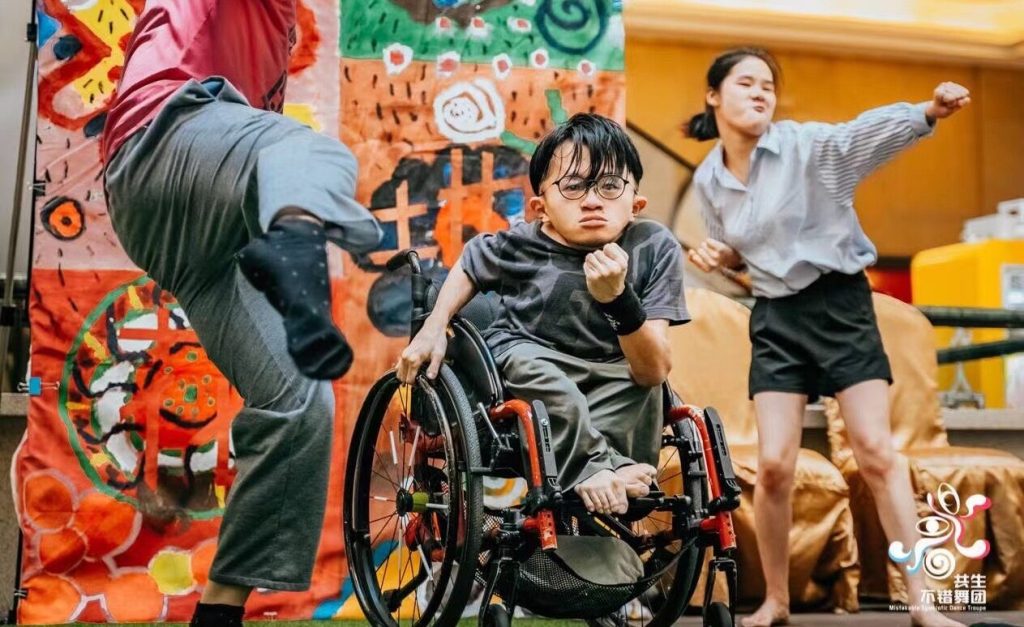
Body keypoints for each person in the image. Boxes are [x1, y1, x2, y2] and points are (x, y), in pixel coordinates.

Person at [101, 2, 382, 626]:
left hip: (190, 234)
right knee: (313, 153)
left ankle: (220, 610)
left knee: (301, 398)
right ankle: (293, 241)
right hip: (163, 137)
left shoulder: (279, 31)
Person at [685, 47, 970, 627]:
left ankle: (922, 601)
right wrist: (722, 256)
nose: (760, 92)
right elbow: (742, 251)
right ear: (713, 96)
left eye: (768, 85)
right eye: (746, 83)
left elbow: (861, 136)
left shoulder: (805, 147)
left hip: (840, 306)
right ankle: (776, 602)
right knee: (773, 466)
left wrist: (928, 111)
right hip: (776, 317)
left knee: (877, 453)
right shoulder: (709, 179)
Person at [397, 113, 689, 515]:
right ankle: (595, 468)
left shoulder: (654, 246)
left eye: (609, 186)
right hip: (529, 353)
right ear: (542, 207)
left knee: (644, 384)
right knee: (544, 376)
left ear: (635, 203)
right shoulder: (521, 244)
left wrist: (618, 299)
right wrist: (435, 324)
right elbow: (470, 263)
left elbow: (652, 369)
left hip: (609, 369)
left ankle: (613, 467)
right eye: (572, 186)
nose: (592, 200)